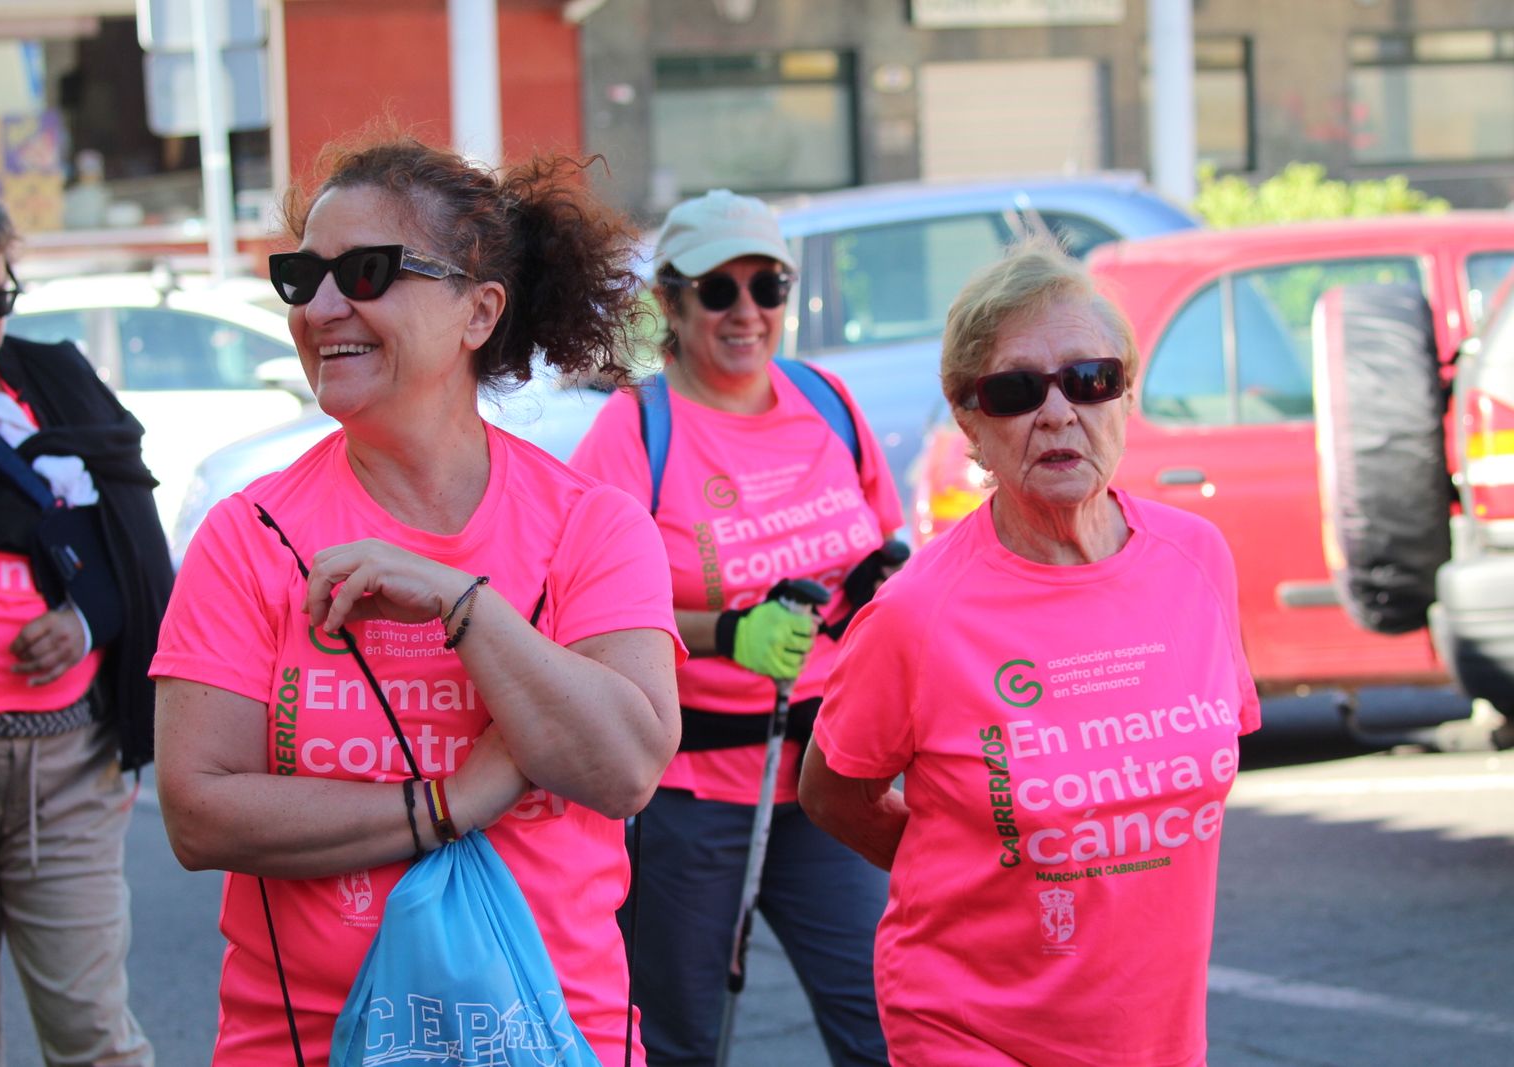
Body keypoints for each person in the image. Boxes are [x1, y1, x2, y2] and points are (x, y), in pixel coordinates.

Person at [149, 137, 683, 1066]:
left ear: (480, 311)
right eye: (301, 275)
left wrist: (465, 607)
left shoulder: (590, 525)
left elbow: (625, 767)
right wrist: (446, 801)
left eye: (363, 271)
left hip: (554, 1033)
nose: (320, 308)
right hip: (308, 1043)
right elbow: (200, 813)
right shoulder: (250, 533)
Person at [798, 237, 1261, 1066]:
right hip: (971, 1025)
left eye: (1090, 379)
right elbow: (833, 791)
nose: (1058, 413)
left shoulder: (1198, 560)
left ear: (1125, 393)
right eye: (1016, 390)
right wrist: (979, 866)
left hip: (1152, 1033)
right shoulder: (915, 614)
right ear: (970, 421)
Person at [568, 189, 902, 1067]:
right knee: (680, 1041)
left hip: (833, 770)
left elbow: (882, 555)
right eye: (719, 290)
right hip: (695, 794)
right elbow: (577, 618)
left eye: (769, 285)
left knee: (886, 1023)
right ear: (671, 304)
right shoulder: (634, 433)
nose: (748, 311)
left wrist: (882, 587)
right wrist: (727, 631)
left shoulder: (826, 401)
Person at [0, 175, 169, 1065]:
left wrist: (87, 621)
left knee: (93, 1033)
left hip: (69, 760)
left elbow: (132, 542)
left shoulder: (54, 377)